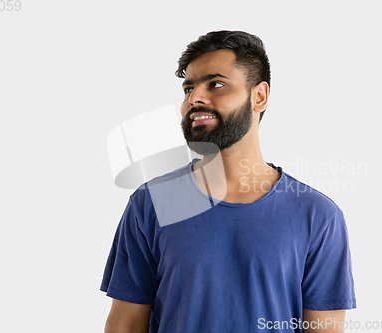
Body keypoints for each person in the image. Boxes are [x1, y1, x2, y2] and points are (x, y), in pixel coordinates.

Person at [101, 30, 356, 333]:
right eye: (188, 89)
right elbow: (125, 323)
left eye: (216, 84)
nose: (195, 98)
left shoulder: (317, 215)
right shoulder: (153, 202)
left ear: (258, 96)